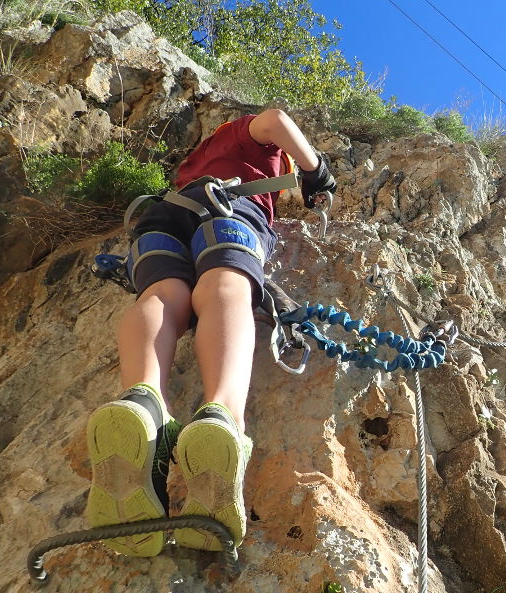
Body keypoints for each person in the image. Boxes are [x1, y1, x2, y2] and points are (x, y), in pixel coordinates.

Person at [85, 109, 336, 557]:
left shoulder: (194, 161)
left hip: (161, 218)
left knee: (161, 294)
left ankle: (144, 402)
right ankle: (221, 414)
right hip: (228, 207)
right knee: (225, 285)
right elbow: (277, 119)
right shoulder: (247, 136)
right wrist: (317, 170)